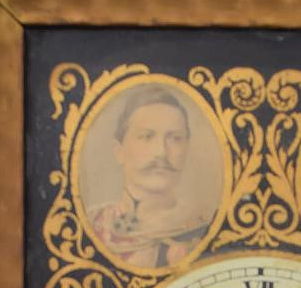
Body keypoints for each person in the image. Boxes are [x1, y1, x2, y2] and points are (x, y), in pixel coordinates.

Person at [89, 85, 211, 267]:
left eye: (175, 138)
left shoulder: (202, 229)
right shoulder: (93, 223)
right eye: (146, 136)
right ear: (119, 151)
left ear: (186, 149)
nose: (161, 152)